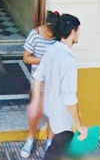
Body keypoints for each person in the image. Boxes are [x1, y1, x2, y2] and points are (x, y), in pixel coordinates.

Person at [32, 13, 88, 160]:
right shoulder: (68, 61)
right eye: (78, 31)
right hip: (62, 116)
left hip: (50, 108)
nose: (79, 34)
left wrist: (37, 101)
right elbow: (69, 99)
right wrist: (79, 125)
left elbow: (37, 77)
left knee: (57, 149)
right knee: (57, 151)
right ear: (72, 32)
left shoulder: (51, 50)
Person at [20, 11, 60, 158]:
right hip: (38, 81)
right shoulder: (35, 35)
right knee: (35, 111)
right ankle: (30, 139)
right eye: (49, 30)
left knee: (53, 112)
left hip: (54, 81)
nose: (51, 33)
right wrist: (44, 60)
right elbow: (26, 58)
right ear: (46, 24)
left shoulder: (59, 36)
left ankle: (50, 141)